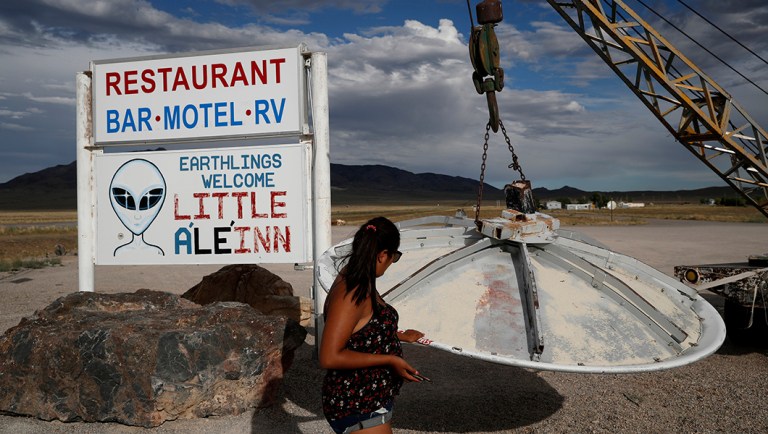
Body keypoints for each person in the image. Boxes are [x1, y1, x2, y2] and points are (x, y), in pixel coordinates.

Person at [320, 216, 425, 434]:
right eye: (394, 256)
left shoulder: (359, 276)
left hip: (368, 399)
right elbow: (329, 356)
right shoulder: (352, 292)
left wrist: (395, 335)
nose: (391, 262)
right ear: (383, 255)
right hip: (357, 404)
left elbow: (360, 327)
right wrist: (390, 359)